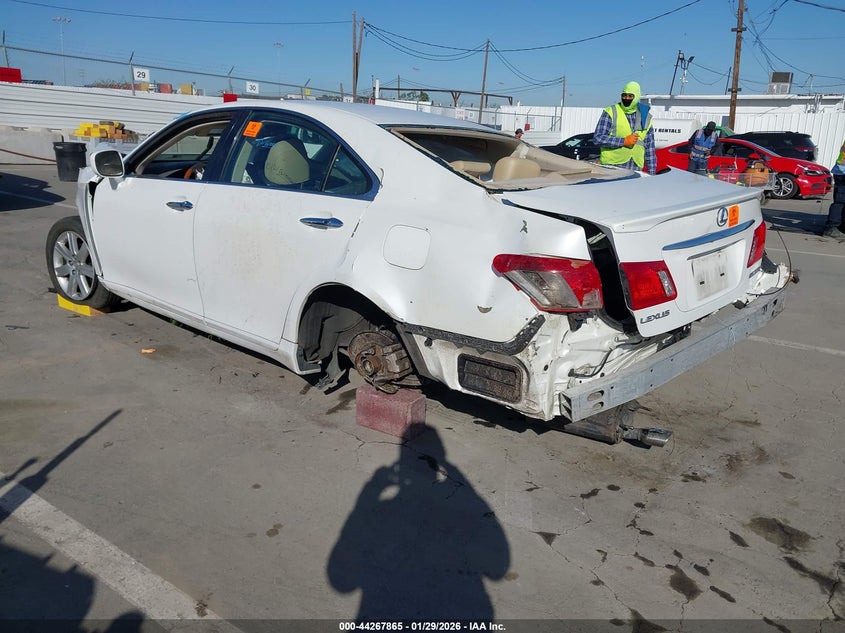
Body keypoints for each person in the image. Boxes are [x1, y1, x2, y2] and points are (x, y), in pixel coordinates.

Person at [594, 81, 656, 174]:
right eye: (624, 95)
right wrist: (623, 141)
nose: (626, 98)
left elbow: (649, 149)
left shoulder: (645, 116)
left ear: (637, 96)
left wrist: (652, 173)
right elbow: (598, 138)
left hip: (635, 168)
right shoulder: (611, 112)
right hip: (612, 167)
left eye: (630, 96)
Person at [822, 138, 845, 238]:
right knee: (840, 202)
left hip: (841, 171)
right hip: (843, 172)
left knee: (840, 201)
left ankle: (838, 226)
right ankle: (832, 228)